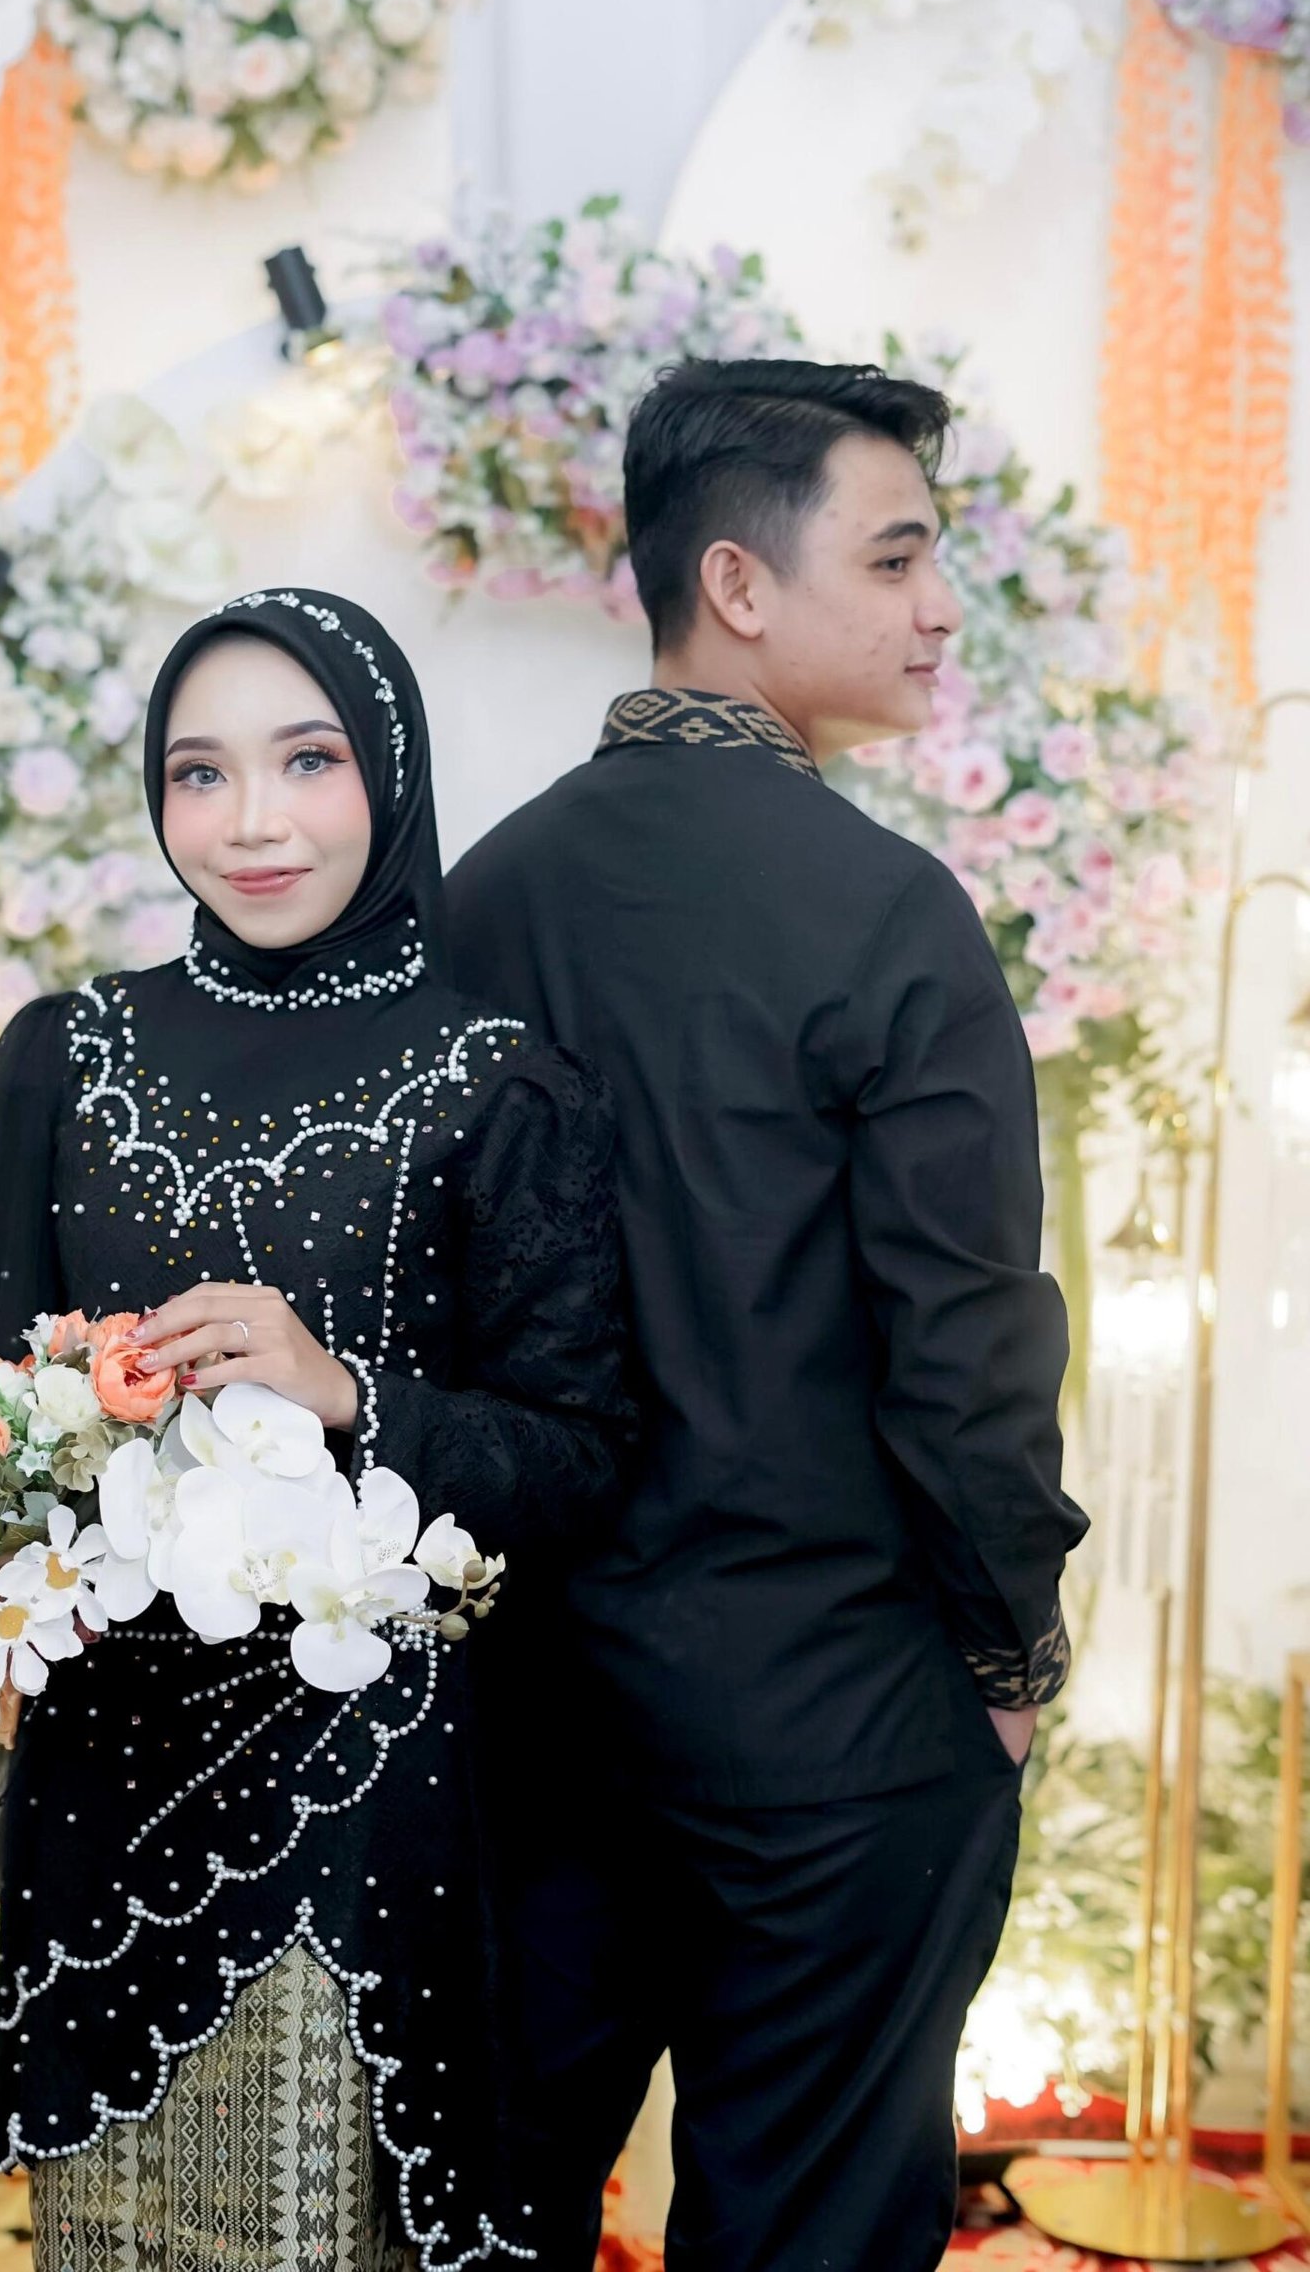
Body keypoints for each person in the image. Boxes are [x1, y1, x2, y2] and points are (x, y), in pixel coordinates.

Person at [445, 359, 1089, 2272]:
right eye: (895, 560)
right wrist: (1014, 1655)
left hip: (538, 1720)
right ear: (735, 581)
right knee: (806, 2231)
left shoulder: (480, 902)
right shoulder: (890, 911)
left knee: (484, 2217)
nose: (940, 608)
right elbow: (969, 1349)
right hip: (839, 1723)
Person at [0, 589, 631, 2272]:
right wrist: (23, 1529)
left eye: (308, 761)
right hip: (103, 1775)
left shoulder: (498, 1081)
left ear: (389, 770)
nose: (251, 821)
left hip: (376, 1796)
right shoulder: (65, 1058)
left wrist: (348, 1393)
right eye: (200, 772)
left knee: (323, 2225)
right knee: (115, 2235)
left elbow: (585, 1457)